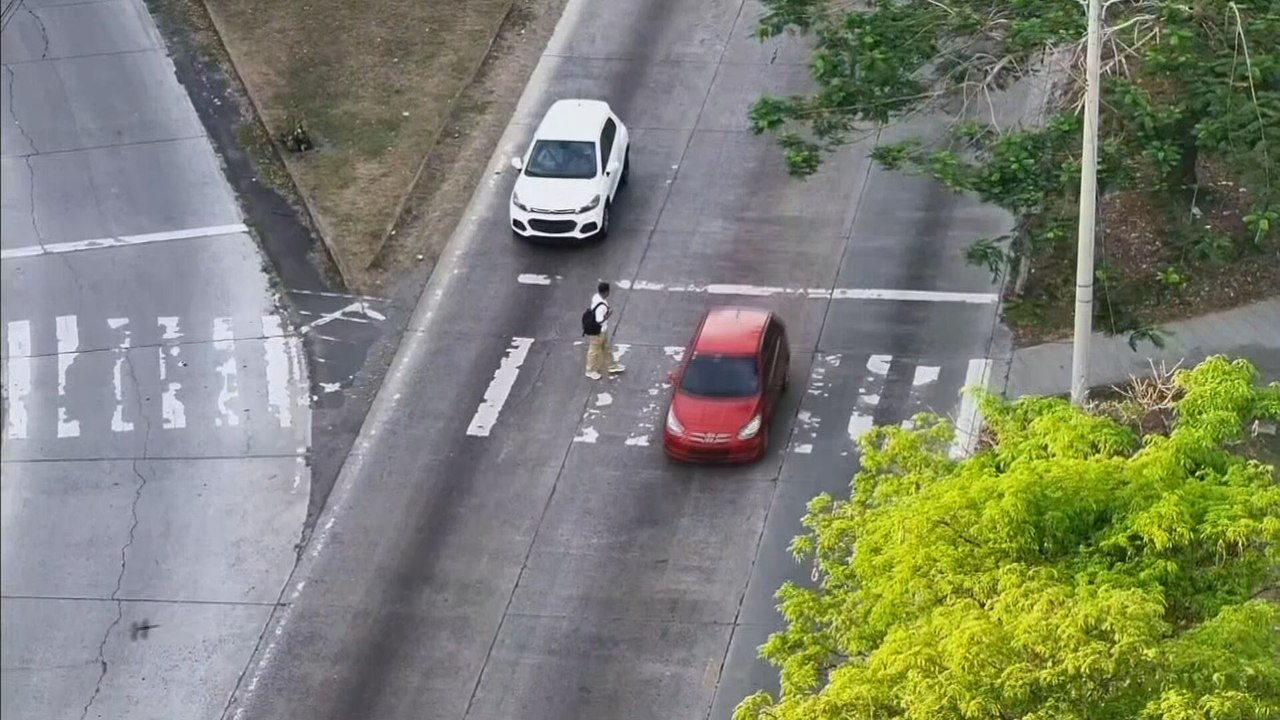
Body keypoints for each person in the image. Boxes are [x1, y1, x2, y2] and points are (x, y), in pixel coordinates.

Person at [584, 281, 625, 380]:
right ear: (606, 292)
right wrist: (608, 315)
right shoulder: (601, 306)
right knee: (594, 351)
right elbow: (599, 320)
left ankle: (611, 365)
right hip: (598, 332)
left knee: (606, 348)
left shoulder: (596, 297)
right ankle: (590, 370)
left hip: (602, 331)